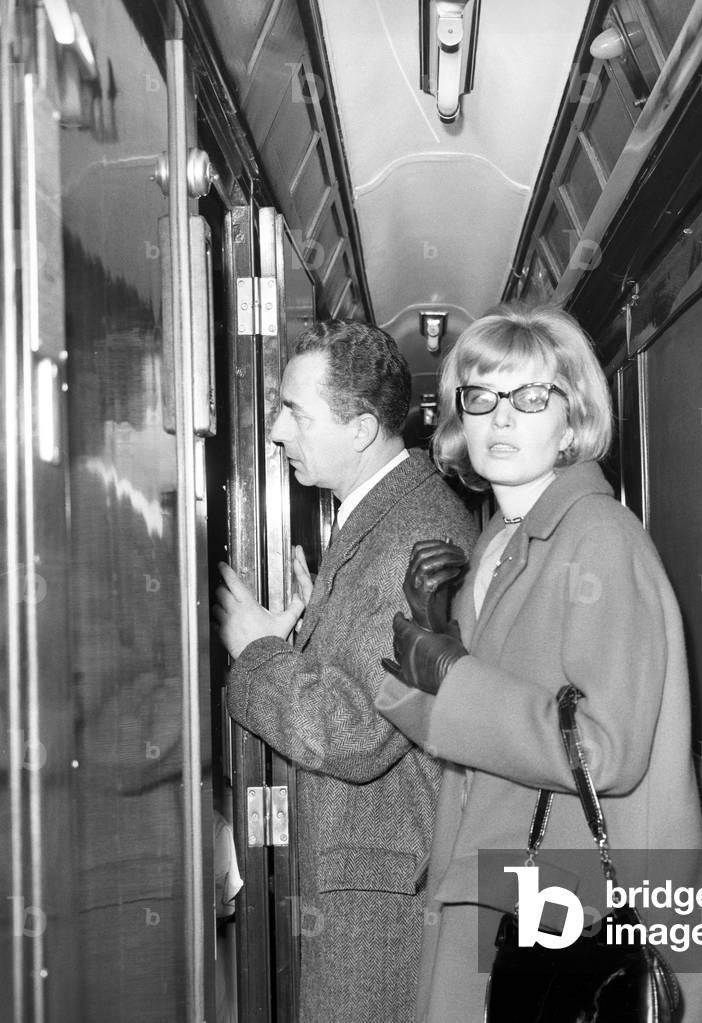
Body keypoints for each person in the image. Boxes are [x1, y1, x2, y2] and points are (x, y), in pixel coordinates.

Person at [376, 305, 702, 1022]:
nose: (502, 417)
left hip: (577, 916)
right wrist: (435, 641)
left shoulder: (599, 538)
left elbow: (606, 751)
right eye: (481, 395)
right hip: (510, 890)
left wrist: (454, 675)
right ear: (459, 417)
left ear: (572, 422)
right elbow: (482, 729)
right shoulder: (501, 539)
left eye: (531, 397)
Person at [213, 320, 478, 1023]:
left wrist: (258, 653)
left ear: (361, 430)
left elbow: (360, 734)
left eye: (294, 412)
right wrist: (307, 636)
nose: (276, 431)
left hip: (379, 898)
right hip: (366, 879)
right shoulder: (381, 514)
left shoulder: (416, 534)